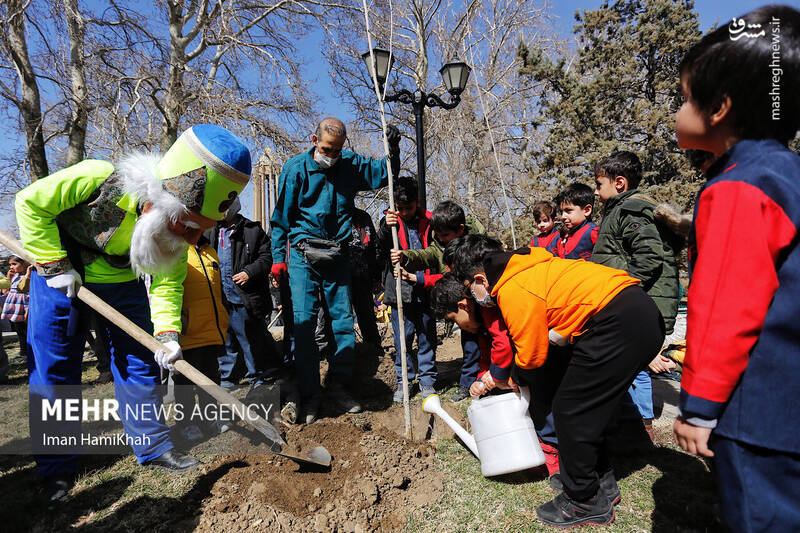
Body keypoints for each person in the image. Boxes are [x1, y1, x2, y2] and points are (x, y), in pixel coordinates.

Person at [15, 123, 251, 503]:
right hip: (60, 277)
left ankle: (154, 446)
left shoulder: (174, 240)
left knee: (140, 362)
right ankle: (56, 468)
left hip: (122, 285)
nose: (191, 239)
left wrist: (169, 336)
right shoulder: (94, 178)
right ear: (161, 199)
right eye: (190, 225)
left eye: (201, 231)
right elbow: (30, 203)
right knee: (55, 369)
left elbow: (166, 285)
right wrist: (53, 265)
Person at [672, 6, 800, 531]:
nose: (677, 110)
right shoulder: (786, 175)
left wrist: (700, 404)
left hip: (760, 414)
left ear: (720, 107)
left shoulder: (736, 187)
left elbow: (725, 302)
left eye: (683, 98)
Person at [446, 234, 664, 528]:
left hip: (619, 321)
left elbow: (531, 354)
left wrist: (513, 380)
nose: (474, 297)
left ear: (481, 279)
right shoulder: (528, 266)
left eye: (470, 288)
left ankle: (584, 500)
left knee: (571, 410)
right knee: (578, 406)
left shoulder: (513, 287)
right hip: (635, 313)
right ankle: (598, 481)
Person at [269, 118, 400, 423]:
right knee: (304, 326)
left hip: (338, 255)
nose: (332, 155)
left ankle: (339, 385)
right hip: (303, 256)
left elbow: (382, 173)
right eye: (327, 149)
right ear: (314, 139)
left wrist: (393, 148)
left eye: (338, 150)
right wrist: (279, 258)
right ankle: (310, 394)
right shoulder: (295, 169)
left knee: (342, 322)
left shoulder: (349, 164)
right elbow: (280, 219)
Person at [592, 150, 680, 441]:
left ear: (619, 183)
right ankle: (628, 427)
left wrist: (622, 291)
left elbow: (649, 256)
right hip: (630, 302)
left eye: (599, 183)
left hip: (635, 303)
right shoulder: (619, 209)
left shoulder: (630, 209)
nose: (595, 190)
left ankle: (639, 431)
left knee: (627, 368)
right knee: (625, 368)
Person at [391, 200, 485, 401]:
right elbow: (426, 256)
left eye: (445, 236)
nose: (441, 240)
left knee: (489, 340)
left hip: (482, 301)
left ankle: (490, 379)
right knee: (469, 344)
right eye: (438, 235)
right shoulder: (440, 244)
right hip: (463, 303)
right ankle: (467, 383)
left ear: (460, 230)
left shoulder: (476, 246)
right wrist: (404, 256)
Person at [209, 198, 282, 388]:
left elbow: (267, 257)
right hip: (220, 297)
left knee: (249, 339)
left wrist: (250, 272)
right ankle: (228, 377)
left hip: (243, 297)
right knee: (226, 341)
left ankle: (256, 377)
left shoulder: (252, 230)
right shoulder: (210, 231)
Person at [377, 177, 438, 402]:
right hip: (398, 290)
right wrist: (386, 227)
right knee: (403, 338)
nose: (404, 213)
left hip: (424, 286)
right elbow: (380, 246)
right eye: (400, 208)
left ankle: (427, 380)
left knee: (427, 337)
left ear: (417, 202)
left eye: (409, 208)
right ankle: (404, 380)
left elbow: (436, 252)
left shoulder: (430, 221)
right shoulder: (389, 222)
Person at [173, 233, 230, 442]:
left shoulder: (210, 251)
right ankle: (186, 423)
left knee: (210, 379)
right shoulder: (175, 248)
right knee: (185, 383)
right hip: (188, 332)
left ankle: (209, 418)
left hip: (211, 331)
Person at [431, 273, 513, 399]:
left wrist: (494, 376)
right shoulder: (479, 324)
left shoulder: (489, 310)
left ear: (462, 306)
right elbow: (485, 354)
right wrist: (480, 379)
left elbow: (503, 344)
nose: (459, 326)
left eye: (454, 319)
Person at [348, 207, 382, 349]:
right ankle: (345, 351)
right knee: (342, 316)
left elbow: (374, 247)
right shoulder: (331, 215)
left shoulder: (363, 217)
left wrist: (376, 276)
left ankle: (373, 348)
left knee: (367, 313)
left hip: (363, 274)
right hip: (340, 276)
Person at [553, 183, 599, 259]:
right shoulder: (567, 236)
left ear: (587, 210)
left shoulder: (593, 233)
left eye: (568, 211)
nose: (563, 217)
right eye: (561, 212)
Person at [1, 256, 31, 361]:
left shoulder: (29, 276)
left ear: (24, 265)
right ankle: (23, 352)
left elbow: (23, 289)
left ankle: (27, 352)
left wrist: (28, 274)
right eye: (10, 265)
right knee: (19, 330)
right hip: (15, 307)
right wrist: (9, 278)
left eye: (14, 264)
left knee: (25, 330)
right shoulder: (14, 276)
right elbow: (5, 291)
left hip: (24, 306)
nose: (11, 267)